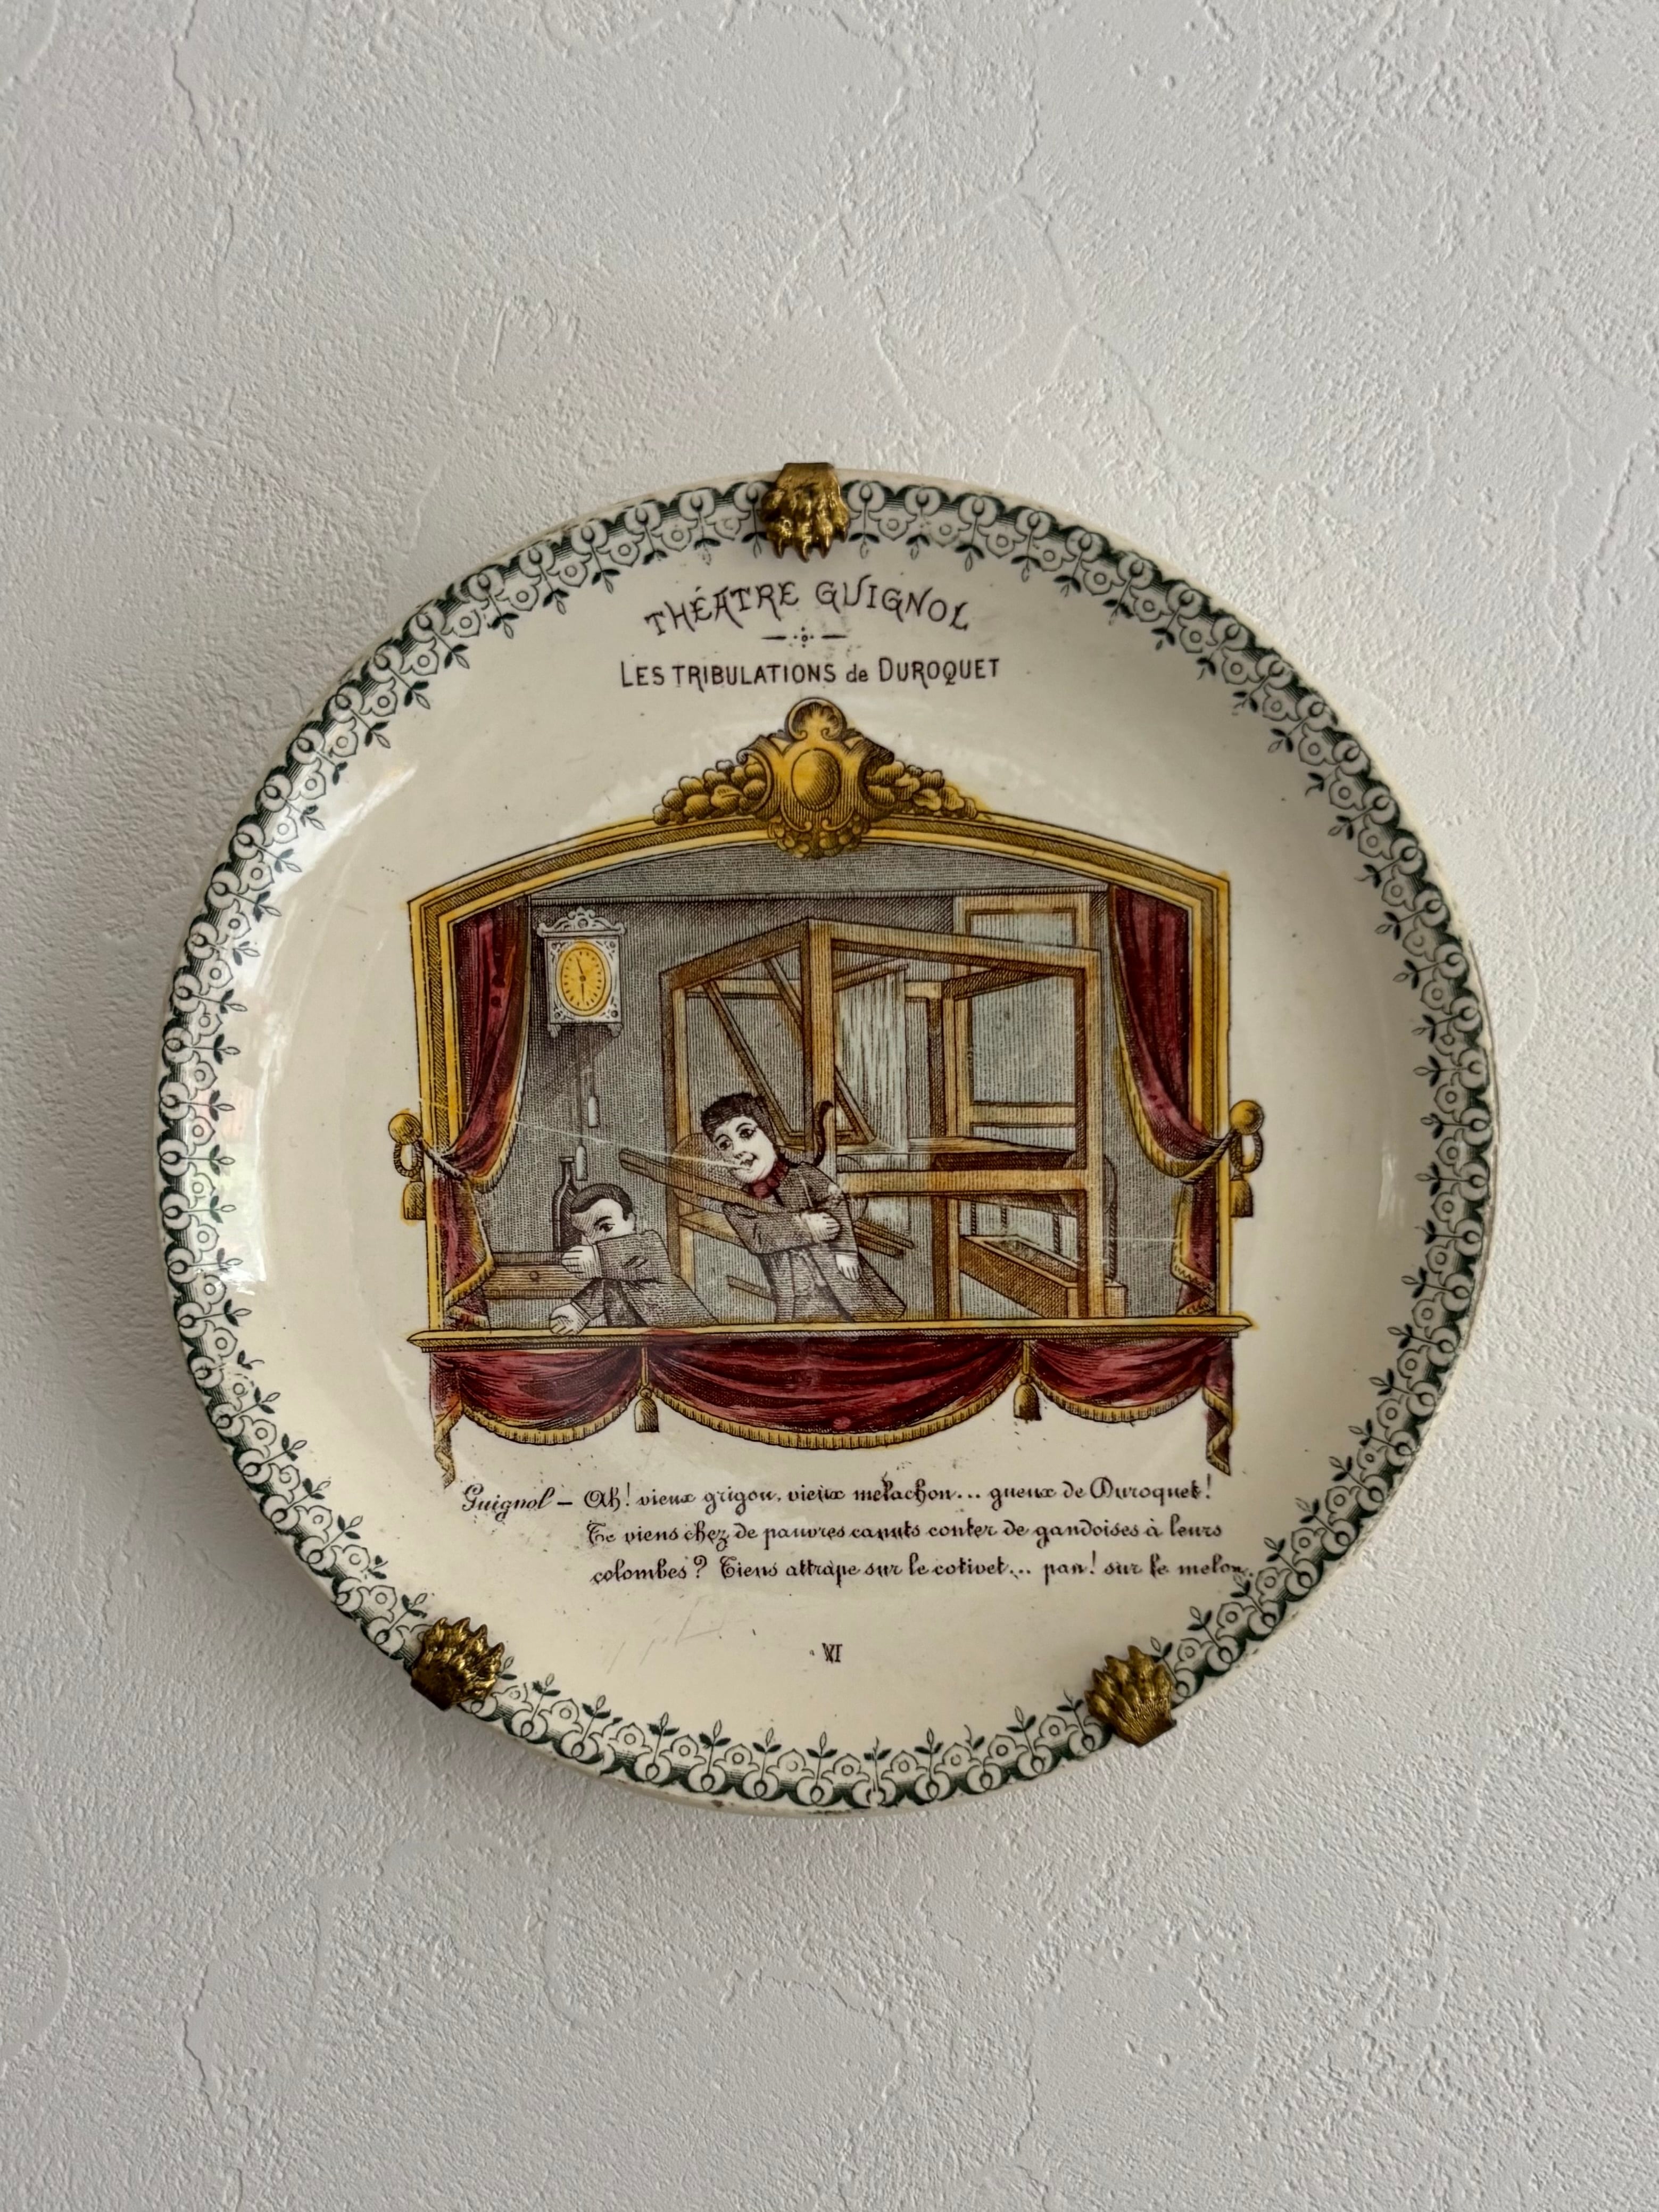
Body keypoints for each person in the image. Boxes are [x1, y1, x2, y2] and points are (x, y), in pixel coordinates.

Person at [700, 1091, 904, 1323]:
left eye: (746, 1134)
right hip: (799, 1302)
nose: (737, 1151)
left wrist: (846, 1251)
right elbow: (760, 1238)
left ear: (769, 1135)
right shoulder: (737, 1208)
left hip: (846, 1284)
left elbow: (835, 1200)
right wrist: (805, 1226)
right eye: (724, 1145)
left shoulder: (804, 1175)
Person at [548, 1183, 712, 1333]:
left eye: (605, 1227)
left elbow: (632, 1254)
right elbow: (599, 1292)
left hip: (692, 1339)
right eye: (584, 1234)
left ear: (631, 1221)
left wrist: (598, 1258)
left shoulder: (649, 1247)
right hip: (641, 1344)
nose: (593, 1240)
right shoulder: (611, 1276)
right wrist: (578, 1312)